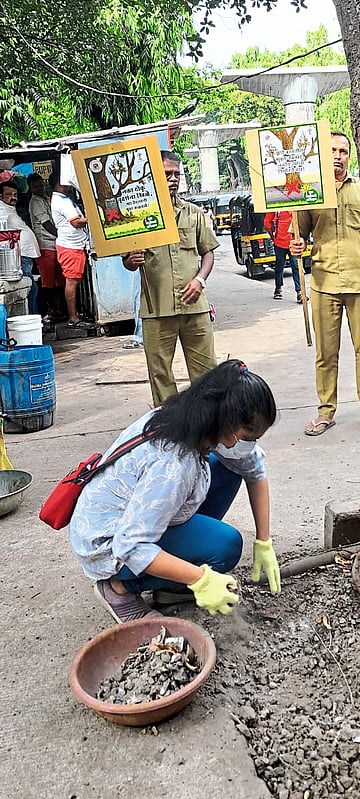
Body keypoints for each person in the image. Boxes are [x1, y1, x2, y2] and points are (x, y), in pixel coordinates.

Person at [69, 359, 281, 623]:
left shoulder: (197, 420)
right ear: (226, 423)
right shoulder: (174, 465)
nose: (251, 445)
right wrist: (200, 578)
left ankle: (170, 584)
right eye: (248, 438)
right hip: (109, 542)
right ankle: (119, 588)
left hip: (142, 513)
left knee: (227, 470)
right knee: (225, 546)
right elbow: (130, 545)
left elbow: (254, 469)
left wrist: (264, 541)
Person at [290, 131, 360, 437]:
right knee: (326, 353)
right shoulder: (310, 191)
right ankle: (325, 411)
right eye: (332, 150)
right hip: (323, 281)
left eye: (344, 150)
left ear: (350, 155)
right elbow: (298, 236)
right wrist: (296, 245)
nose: (338, 156)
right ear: (322, 154)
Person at [123, 150, 218, 405]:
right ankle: (169, 429)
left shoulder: (194, 213)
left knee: (207, 372)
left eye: (177, 174)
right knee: (161, 375)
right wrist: (132, 260)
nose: (173, 179)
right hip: (157, 309)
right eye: (166, 174)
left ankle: (208, 423)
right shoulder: (138, 217)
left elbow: (208, 253)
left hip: (194, 307)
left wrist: (199, 280)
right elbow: (128, 262)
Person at [50, 177, 90, 328]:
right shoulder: (62, 201)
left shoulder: (61, 199)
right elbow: (75, 222)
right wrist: (92, 218)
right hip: (70, 247)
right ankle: (73, 317)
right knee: (72, 282)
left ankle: (75, 315)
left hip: (73, 246)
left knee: (74, 281)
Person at [27, 174, 64, 321]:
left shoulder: (47, 199)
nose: (39, 187)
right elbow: (46, 223)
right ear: (30, 187)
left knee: (59, 280)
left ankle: (60, 310)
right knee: (48, 282)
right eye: (35, 186)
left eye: (40, 184)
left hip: (55, 244)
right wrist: (61, 234)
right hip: (45, 245)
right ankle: (52, 311)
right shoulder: (35, 203)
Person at [0, 181, 40, 313]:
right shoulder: (2, 210)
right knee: (29, 289)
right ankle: (32, 318)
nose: (13, 197)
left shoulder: (9, 209)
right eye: (9, 194)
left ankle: (34, 318)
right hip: (18, 256)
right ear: (0, 196)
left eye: (15, 195)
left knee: (31, 289)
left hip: (24, 255)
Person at [264, 209, 303, 303]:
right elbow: (267, 222)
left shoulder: (295, 208)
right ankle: (278, 288)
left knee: (295, 266)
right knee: (280, 267)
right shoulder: (276, 207)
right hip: (280, 242)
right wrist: (273, 237)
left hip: (293, 242)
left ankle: (299, 292)